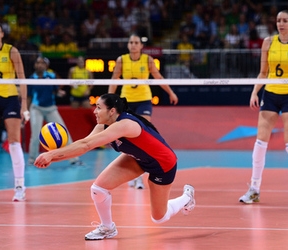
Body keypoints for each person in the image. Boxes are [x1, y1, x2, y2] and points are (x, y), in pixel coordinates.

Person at [34, 93, 195, 240]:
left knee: (159, 217)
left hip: (163, 163)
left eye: (98, 108)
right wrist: (51, 159)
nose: (94, 111)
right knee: (98, 189)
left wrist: (52, 154)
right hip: (138, 158)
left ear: (112, 111)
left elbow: (85, 145)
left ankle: (187, 197)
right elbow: (82, 147)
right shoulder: (103, 126)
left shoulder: (125, 124)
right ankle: (107, 227)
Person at [108, 33, 178, 189]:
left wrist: (170, 92)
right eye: (131, 42)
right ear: (128, 45)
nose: (133, 45)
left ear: (141, 46)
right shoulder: (121, 60)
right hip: (126, 101)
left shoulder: (147, 60)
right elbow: (114, 80)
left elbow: (158, 77)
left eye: (136, 42)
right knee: (127, 139)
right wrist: (108, 101)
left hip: (144, 100)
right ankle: (132, 174)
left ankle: (140, 176)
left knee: (143, 136)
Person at [239, 10, 288, 204]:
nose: (281, 24)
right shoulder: (268, 42)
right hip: (271, 94)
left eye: (285, 20)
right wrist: (254, 91)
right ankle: (254, 189)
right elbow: (263, 72)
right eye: (279, 20)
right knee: (260, 142)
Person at [0, 21, 28, 201]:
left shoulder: (11, 51)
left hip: (10, 100)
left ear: (2, 34)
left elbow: (22, 78)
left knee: (14, 142)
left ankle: (19, 186)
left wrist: (24, 105)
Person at [27, 56, 82, 166]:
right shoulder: (31, 78)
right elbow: (29, 96)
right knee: (36, 135)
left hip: (51, 108)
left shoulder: (51, 76)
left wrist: (59, 93)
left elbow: (55, 90)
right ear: (35, 65)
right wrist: (26, 111)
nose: (40, 65)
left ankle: (74, 159)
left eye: (42, 63)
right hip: (36, 108)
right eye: (38, 62)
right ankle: (32, 159)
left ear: (46, 66)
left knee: (63, 132)